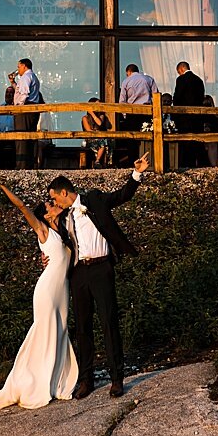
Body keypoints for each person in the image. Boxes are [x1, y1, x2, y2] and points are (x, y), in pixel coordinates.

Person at [42, 154, 148, 399]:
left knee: (108, 321)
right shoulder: (64, 218)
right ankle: (86, 379)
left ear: (65, 192)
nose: (53, 201)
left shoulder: (94, 199)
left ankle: (116, 378)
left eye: (54, 196)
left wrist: (137, 174)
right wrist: (47, 256)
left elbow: (122, 196)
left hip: (101, 269)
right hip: (79, 273)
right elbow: (60, 245)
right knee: (82, 326)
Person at [0, 170, 79, 413]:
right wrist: (1, 184)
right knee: (43, 331)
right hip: (47, 290)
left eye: (52, 201)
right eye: (49, 205)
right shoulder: (43, 231)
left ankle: (56, 380)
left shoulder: (65, 227)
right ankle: (32, 381)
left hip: (62, 289)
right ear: (45, 216)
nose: (53, 204)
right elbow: (22, 207)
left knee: (60, 330)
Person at [117, 64, 158, 163]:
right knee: (148, 136)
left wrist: (125, 115)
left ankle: (133, 161)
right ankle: (150, 160)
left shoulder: (126, 81)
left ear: (128, 72)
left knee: (132, 138)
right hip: (147, 111)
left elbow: (122, 101)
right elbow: (155, 95)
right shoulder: (149, 79)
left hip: (132, 112)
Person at [171, 62, 207, 168]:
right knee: (197, 141)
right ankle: (199, 164)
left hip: (184, 117)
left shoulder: (181, 80)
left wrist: (175, 112)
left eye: (178, 72)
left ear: (182, 69)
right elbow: (201, 97)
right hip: (197, 116)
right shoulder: (199, 80)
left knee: (185, 141)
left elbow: (177, 96)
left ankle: (186, 164)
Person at [13, 58, 43, 169]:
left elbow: (24, 93)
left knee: (22, 138)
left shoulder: (26, 77)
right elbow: (21, 91)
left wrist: (18, 107)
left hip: (25, 110)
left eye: (19, 66)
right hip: (31, 109)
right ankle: (29, 164)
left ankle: (22, 166)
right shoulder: (32, 76)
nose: (18, 69)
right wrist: (13, 83)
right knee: (29, 137)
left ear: (24, 66)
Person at [80, 98, 112, 168]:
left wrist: (93, 115)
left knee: (104, 142)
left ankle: (97, 161)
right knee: (102, 142)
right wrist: (91, 113)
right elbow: (88, 130)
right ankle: (97, 162)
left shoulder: (101, 116)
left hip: (100, 139)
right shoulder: (85, 118)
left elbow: (99, 123)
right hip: (90, 139)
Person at [201, 94, 218, 167]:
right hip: (207, 136)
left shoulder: (216, 114)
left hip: (217, 133)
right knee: (212, 142)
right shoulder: (201, 115)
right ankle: (214, 165)